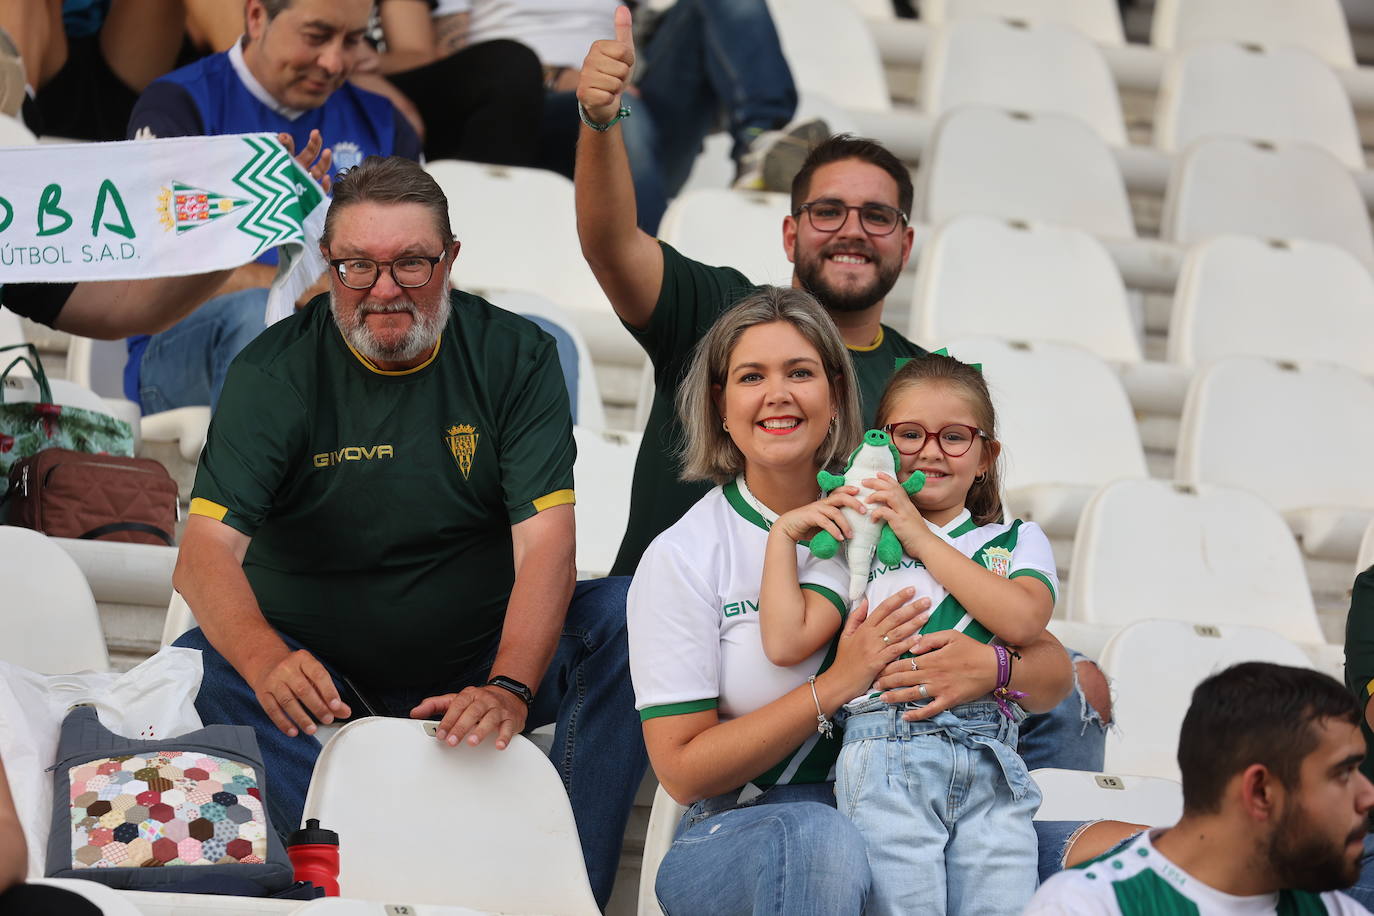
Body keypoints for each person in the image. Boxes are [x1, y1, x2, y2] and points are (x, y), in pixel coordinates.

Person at [575, 17, 1112, 765]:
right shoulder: (722, 314)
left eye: (877, 216)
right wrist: (602, 124)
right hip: (707, 622)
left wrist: (1035, 662)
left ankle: (1023, 868)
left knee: (1071, 694)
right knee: (611, 613)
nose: (851, 230)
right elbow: (611, 244)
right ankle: (576, 875)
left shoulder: (931, 384)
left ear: (906, 241)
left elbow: (977, 547)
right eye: (828, 212)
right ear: (791, 236)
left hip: (866, 634)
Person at [170, 155, 646, 909]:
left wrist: (511, 685)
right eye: (358, 266)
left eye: (411, 264)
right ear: (327, 267)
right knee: (196, 672)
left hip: (477, 659)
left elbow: (549, 545)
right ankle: (340, 883)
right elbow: (202, 560)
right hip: (314, 678)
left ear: (451, 260)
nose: (384, 290)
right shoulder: (275, 371)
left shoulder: (515, 356)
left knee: (627, 617)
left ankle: (559, 893)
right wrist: (266, 662)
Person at [628, 287, 1075, 915]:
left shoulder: (893, 510)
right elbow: (682, 770)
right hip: (751, 821)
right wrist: (839, 683)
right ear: (720, 407)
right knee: (826, 839)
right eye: (751, 376)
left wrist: (992, 668)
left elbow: (1053, 666)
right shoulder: (684, 554)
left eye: (801, 372)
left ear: (837, 395)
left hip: (939, 793)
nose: (777, 394)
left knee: (1112, 856)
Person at [758, 352, 1052, 914]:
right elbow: (785, 640)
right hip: (886, 754)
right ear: (885, 445)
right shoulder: (855, 541)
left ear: (986, 456)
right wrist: (781, 537)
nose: (932, 451)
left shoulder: (1016, 540)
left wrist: (918, 536)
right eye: (910, 434)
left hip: (991, 755)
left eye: (956, 437)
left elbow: (1023, 620)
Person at [122, 0, 423, 416]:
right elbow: (153, 268)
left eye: (353, 41)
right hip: (184, 350)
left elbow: (421, 268)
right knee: (259, 319)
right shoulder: (180, 104)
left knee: (527, 337)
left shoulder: (386, 124)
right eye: (316, 36)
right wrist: (301, 286)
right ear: (257, 17)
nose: (333, 61)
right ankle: (248, 481)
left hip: (352, 348)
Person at [1026, 662, 1374, 915]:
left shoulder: (1337, 910)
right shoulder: (1088, 906)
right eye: (1342, 773)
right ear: (1261, 791)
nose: (1368, 796)